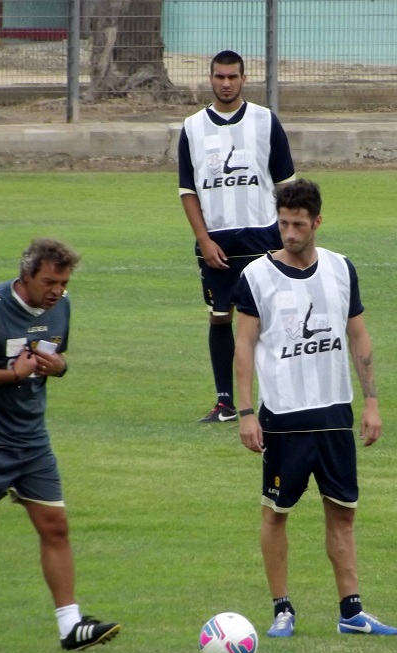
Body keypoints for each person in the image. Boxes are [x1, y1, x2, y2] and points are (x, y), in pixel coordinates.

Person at [233, 179, 397, 638]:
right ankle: (282, 608)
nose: (288, 233)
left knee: (343, 512)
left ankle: (351, 612)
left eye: (298, 224)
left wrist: (371, 402)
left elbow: (358, 335)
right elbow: (243, 346)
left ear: (317, 222)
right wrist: (246, 412)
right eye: (283, 223)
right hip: (282, 421)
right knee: (276, 513)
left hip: (334, 417)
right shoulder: (255, 277)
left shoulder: (342, 269)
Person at [0, 238, 120, 653]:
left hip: (32, 438)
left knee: (55, 526)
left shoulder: (62, 306)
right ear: (27, 276)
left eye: (64, 281)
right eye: (50, 281)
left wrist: (61, 368)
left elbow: (56, 356)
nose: (57, 290)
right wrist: (11, 375)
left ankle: (70, 627)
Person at [178, 49, 296, 423]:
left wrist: (285, 239)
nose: (226, 83)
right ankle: (225, 403)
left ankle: (279, 400)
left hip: (263, 238)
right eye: (219, 77)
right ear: (210, 79)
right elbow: (188, 191)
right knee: (219, 317)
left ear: (244, 79)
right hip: (218, 243)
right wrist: (204, 239)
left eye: (232, 77)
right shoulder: (192, 127)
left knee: (274, 321)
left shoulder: (266, 122)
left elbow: (285, 186)